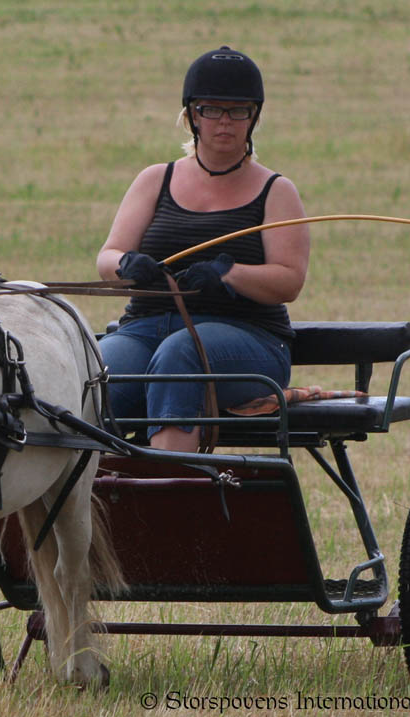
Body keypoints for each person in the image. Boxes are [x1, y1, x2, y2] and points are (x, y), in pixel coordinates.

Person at [97, 46, 310, 452]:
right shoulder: (154, 180)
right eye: (212, 110)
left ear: (254, 117)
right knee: (93, 371)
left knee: (181, 356)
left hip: (250, 339)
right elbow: (107, 257)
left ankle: (169, 489)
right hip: (145, 329)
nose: (225, 121)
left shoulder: (276, 191)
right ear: (193, 115)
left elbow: (289, 280)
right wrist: (127, 265)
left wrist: (229, 275)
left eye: (238, 110)